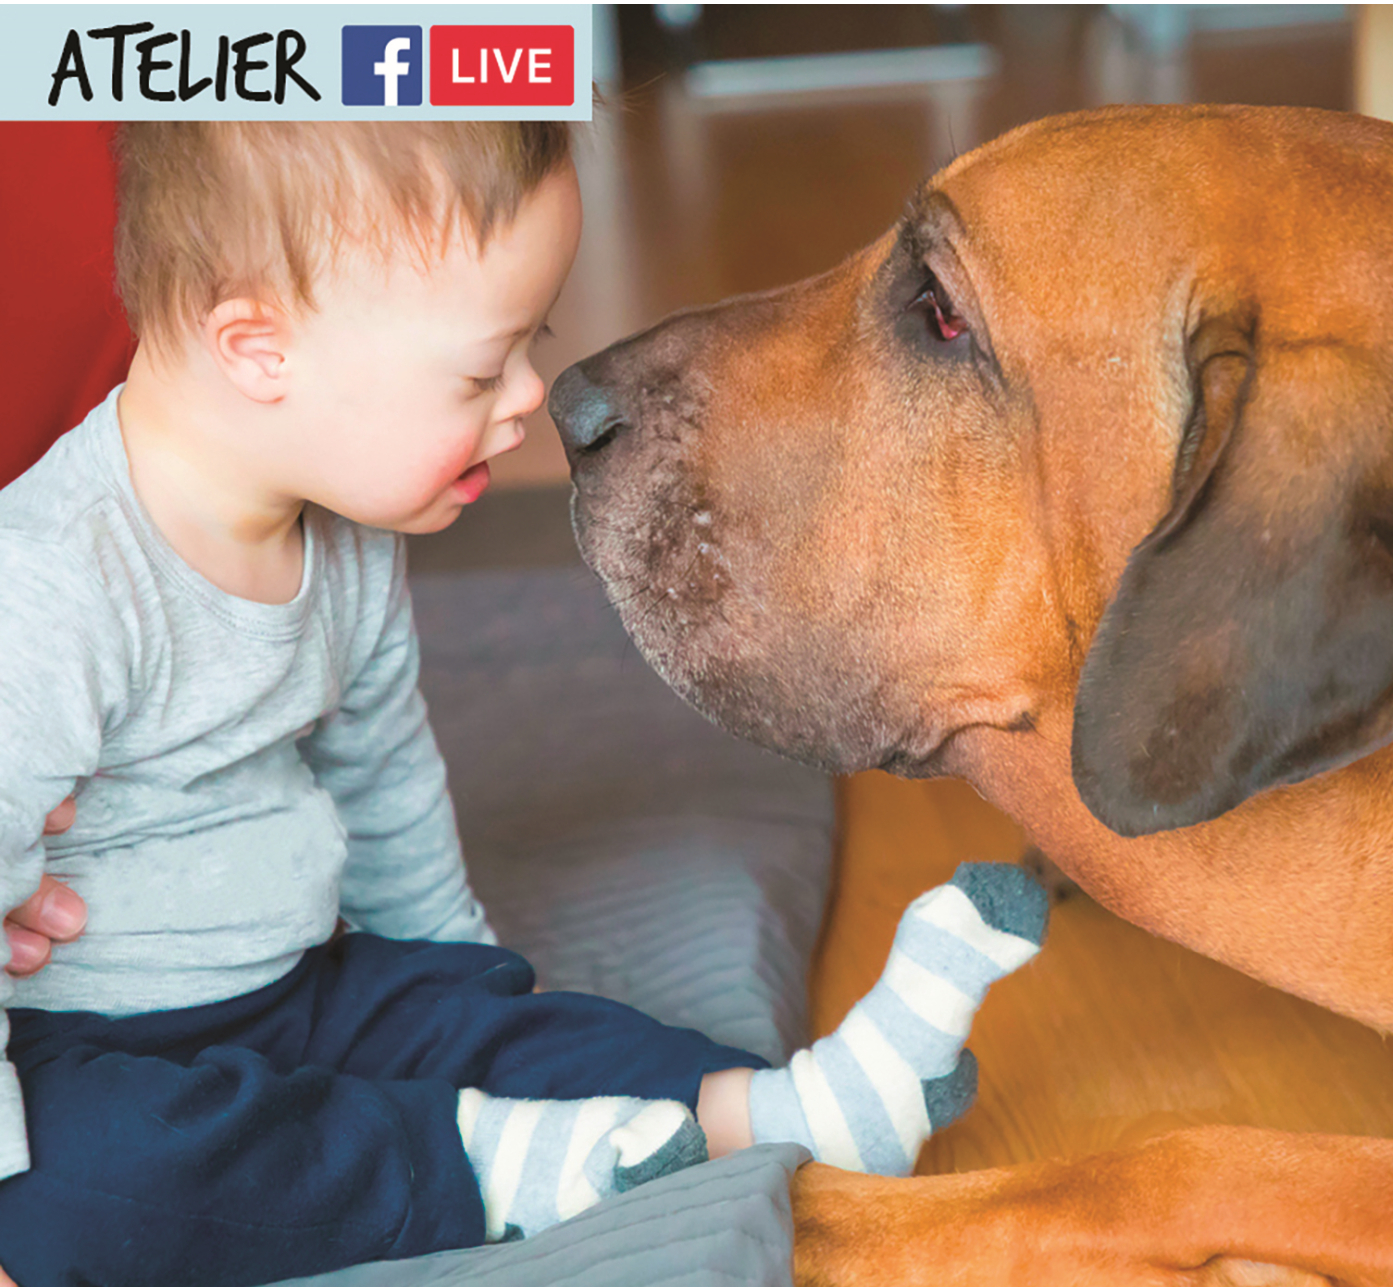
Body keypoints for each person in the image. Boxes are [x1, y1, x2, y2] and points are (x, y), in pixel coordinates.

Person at [0, 122, 1049, 1287]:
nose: (529, 398)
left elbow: (385, 770)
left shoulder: (340, 539)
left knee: (514, 1025)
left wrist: (461, 990)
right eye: (478, 369)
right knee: (87, 1182)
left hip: (303, 981)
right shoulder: (52, 588)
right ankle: (495, 1165)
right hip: (83, 1044)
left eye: (530, 344)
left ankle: (787, 1107)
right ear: (259, 349)